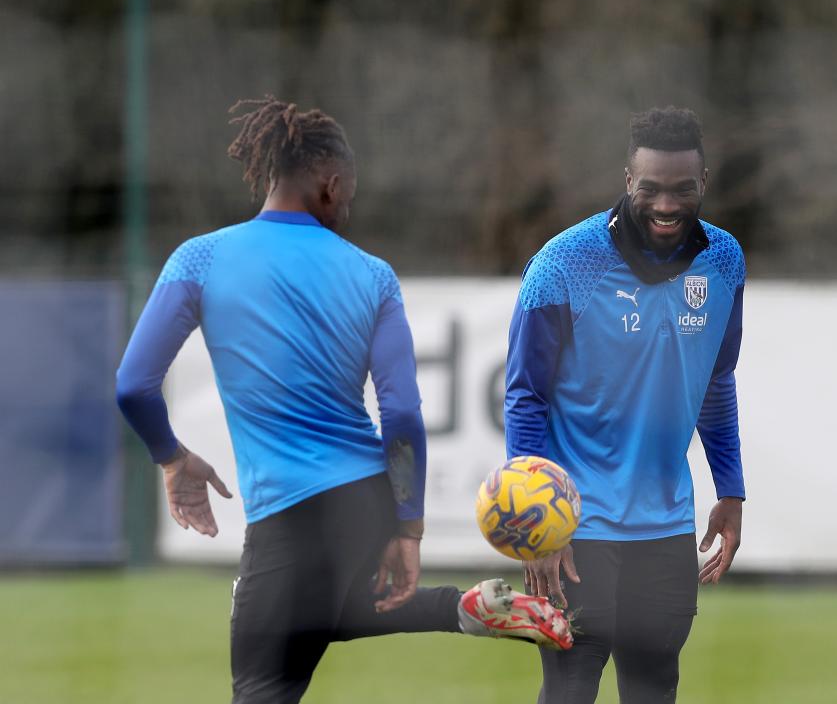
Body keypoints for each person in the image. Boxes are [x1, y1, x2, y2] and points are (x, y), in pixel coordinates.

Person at [116, 96, 571, 704]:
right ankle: (464, 608)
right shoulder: (373, 274)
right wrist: (407, 527)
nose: (349, 207)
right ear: (330, 185)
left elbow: (134, 385)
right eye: (349, 195)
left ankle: (461, 609)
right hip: (366, 500)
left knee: (260, 686)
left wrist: (172, 459)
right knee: (326, 610)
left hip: (290, 511)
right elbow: (403, 414)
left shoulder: (200, 258)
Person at [504, 106, 746, 703]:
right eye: (652, 189)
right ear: (628, 180)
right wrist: (539, 522)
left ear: (704, 184)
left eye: (683, 190)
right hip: (575, 530)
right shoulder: (563, 264)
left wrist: (731, 490)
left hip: (667, 531)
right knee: (569, 687)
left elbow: (717, 379)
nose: (667, 205)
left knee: (654, 690)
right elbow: (524, 397)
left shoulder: (725, 261)